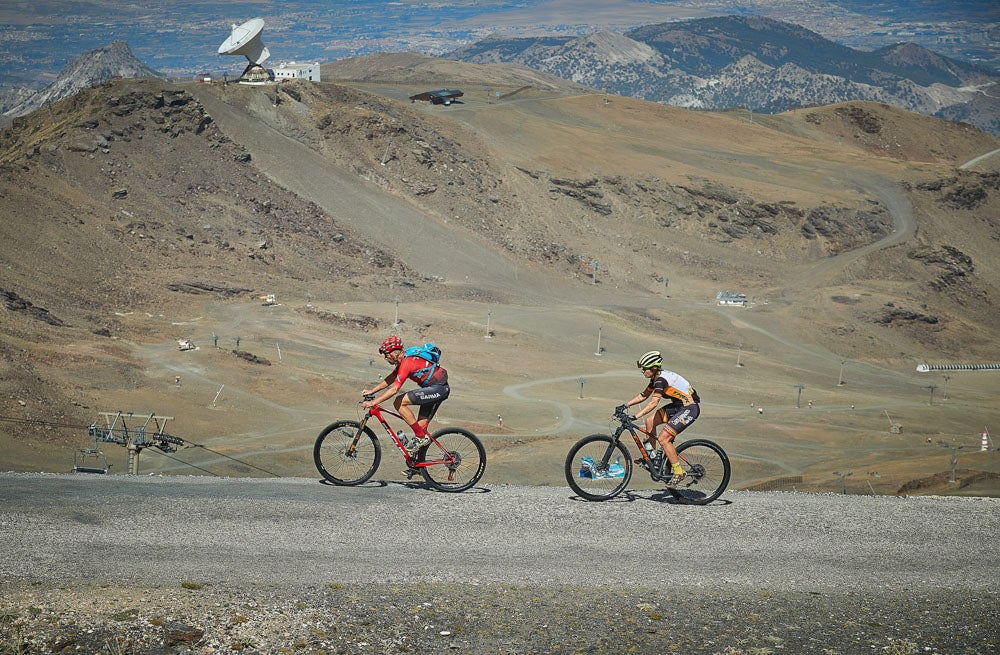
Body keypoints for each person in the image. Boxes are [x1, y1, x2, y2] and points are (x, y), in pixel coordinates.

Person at [619, 350, 700, 487]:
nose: (643, 371)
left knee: (663, 438)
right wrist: (625, 405)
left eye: (645, 369)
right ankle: (652, 459)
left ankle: (679, 472)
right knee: (650, 421)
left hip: (689, 408)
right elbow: (644, 395)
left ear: (654, 368)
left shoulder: (661, 381)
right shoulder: (656, 379)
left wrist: (635, 416)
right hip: (677, 407)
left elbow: (653, 403)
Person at [362, 335, 450, 457]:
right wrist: (372, 391)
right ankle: (417, 465)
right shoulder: (404, 360)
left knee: (398, 402)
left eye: (386, 355)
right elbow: (391, 378)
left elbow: (394, 389)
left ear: (393, 353)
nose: (385, 358)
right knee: (420, 428)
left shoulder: (407, 362)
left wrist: (373, 402)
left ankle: (421, 437)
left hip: (438, 388)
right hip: (434, 388)